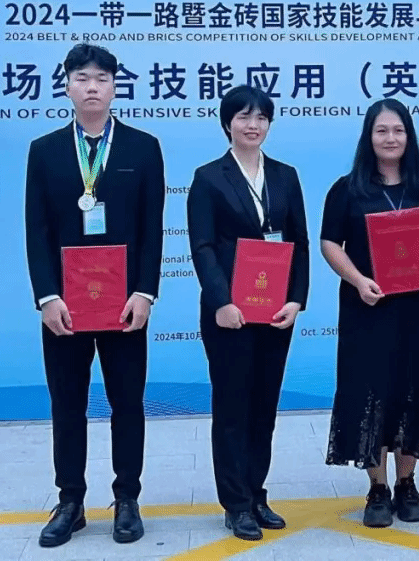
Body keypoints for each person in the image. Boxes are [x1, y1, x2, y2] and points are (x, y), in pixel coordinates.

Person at [24, 43, 165, 548]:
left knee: (127, 402)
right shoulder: (44, 150)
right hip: (65, 306)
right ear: (66, 85)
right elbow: (36, 229)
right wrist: (47, 297)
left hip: (124, 302)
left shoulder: (143, 147)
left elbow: (152, 228)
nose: (92, 87)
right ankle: (70, 501)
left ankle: (127, 498)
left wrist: (145, 292)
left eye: (102, 79)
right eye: (82, 77)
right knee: (68, 404)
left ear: (114, 87)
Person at [320, 98, 419, 529]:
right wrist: (358, 280)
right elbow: (329, 243)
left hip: (418, 308)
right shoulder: (348, 188)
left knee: (415, 389)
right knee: (372, 391)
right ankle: (377, 487)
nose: (390, 138)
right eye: (382, 130)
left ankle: (407, 483)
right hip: (368, 306)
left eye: (398, 130)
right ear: (369, 136)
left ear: (409, 136)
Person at [186, 84, 310, 542]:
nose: (253, 125)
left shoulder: (285, 175)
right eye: (243, 116)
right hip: (230, 313)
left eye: (261, 117)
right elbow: (202, 246)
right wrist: (222, 301)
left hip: (275, 310)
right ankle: (235, 504)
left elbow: (299, 241)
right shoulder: (208, 177)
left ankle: (257, 493)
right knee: (233, 407)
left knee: (264, 407)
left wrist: (297, 298)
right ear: (227, 124)